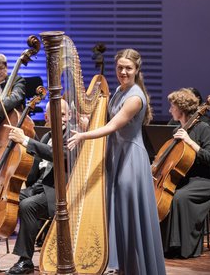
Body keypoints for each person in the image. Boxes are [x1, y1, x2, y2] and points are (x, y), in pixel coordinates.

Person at [68, 49, 166, 274]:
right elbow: (106, 122)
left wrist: (83, 136)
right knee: (119, 211)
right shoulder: (119, 91)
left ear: (137, 70)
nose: (123, 72)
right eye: (120, 67)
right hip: (116, 153)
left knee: (128, 212)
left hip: (131, 158)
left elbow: (112, 126)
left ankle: (137, 267)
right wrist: (85, 123)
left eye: (128, 68)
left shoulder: (134, 97)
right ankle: (123, 266)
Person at [0, 99, 70, 274]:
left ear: (68, 116)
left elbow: (59, 155)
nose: (60, 118)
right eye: (55, 114)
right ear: (47, 117)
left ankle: (26, 261)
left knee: (27, 206)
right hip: (36, 187)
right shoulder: (46, 137)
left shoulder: (71, 136)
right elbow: (32, 171)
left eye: (63, 114)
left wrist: (25, 141)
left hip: (56, 191)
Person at [159, 88, 210, 259]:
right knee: (165, 196)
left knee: (179, 198)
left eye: (172, 106)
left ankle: (182, 247)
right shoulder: (177, 129)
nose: (170, 110)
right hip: (186, 179)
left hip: (206, 181)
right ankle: (166, 246)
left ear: (181, 108)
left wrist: (190, 142)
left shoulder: (204, 128)